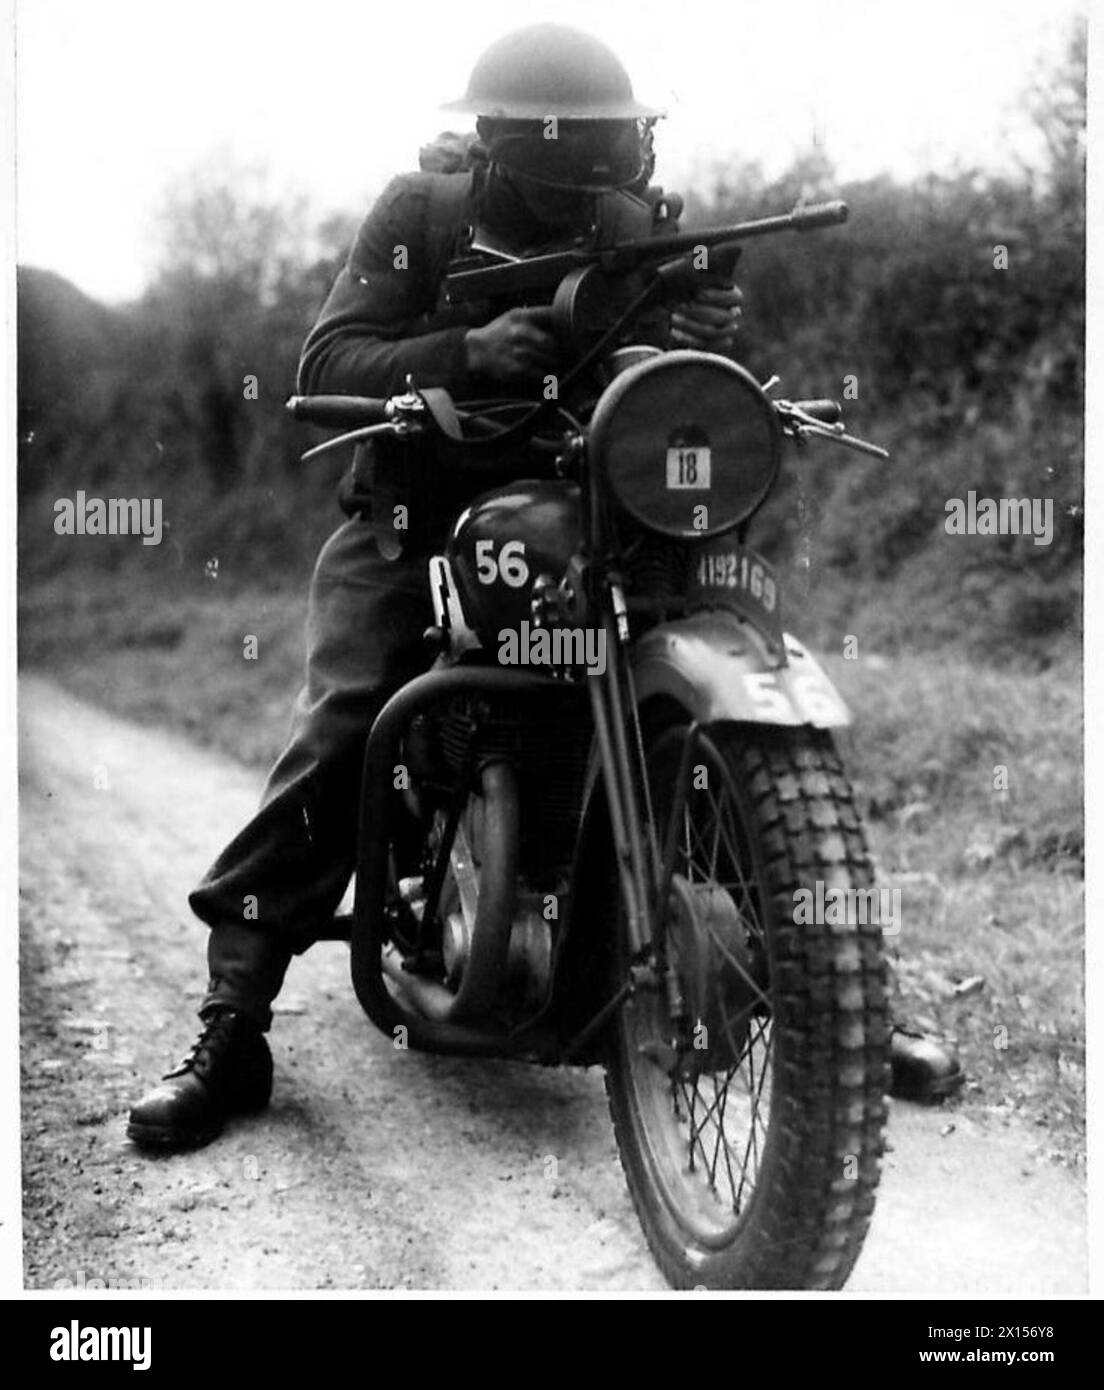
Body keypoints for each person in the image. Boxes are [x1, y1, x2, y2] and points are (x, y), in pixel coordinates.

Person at [127, 24, 961, 1151]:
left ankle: (832, 990)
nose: (590, 196)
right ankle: (232, 1020)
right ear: (504, 148)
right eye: (569, 169)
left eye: (610, 162)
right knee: (345, 729)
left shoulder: (632, 219)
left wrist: (694, 329)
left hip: (589, 504)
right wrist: (466, 354)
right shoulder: (416, 215)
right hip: (417, 513)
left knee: (731, 680)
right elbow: (327, 365)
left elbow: (648, 351)